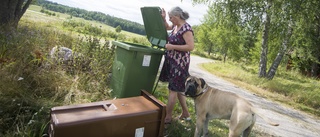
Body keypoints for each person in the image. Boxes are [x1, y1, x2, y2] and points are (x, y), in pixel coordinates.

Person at [159, 6, 194, 124]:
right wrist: (163, 19)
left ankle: (168, 118)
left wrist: (172, 46)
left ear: (178, 16)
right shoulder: (175, 26)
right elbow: (167, 27)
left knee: (173, 90)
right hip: (171, 61)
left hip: (180, 64)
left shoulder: (186, 29)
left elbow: (190, 47)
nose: (170, 20)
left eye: (171, 17)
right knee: (179, 89)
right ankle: (186, 113)